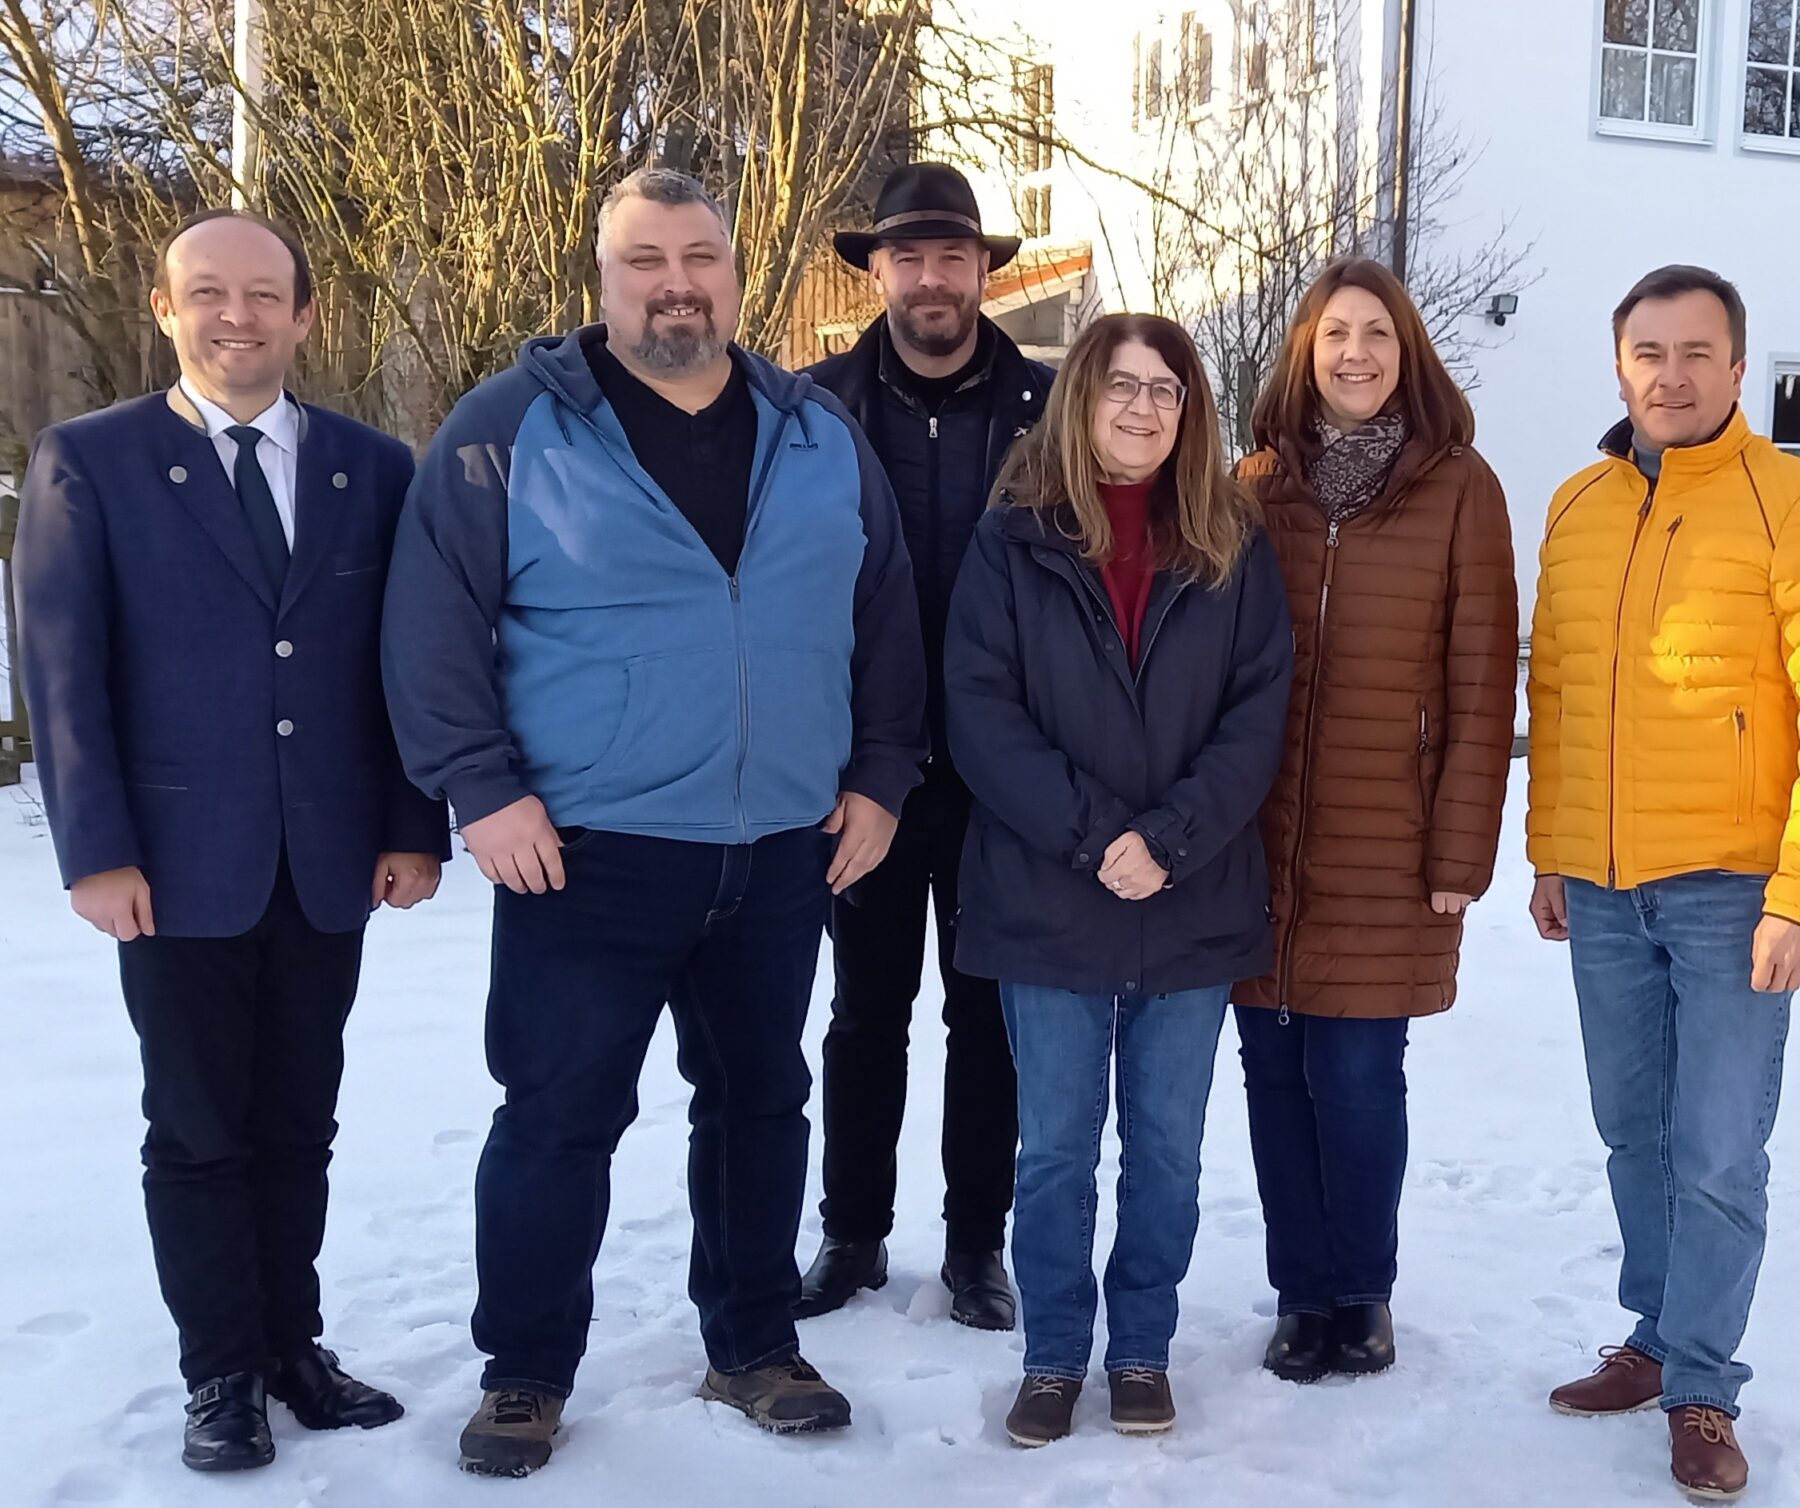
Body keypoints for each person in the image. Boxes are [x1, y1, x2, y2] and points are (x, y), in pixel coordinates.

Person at [380, 168, 926, 1475]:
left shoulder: (817, 435)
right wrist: (481, 786)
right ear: (604, 276)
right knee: (558, 1115)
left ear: (736, 273)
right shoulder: (508, 429)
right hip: (587, 853)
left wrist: (881, 774)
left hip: (780, 848)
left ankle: (754, 1344)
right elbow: (430, 619)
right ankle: (524, 1372)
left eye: (699, 258)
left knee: (761, 1103)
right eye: (645, 260)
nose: (676, 284)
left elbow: (885, 612)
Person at [13, 209, 448, 1474]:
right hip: (173, 866)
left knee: (299, 1122)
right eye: (207, 292)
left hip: (328, 859)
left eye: (263, 294)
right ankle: (222, 1371)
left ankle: (292, 1346)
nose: (236, 316)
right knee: (198, 1128)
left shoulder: (374, 468)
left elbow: (405, 665)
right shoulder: (90, 461)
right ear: (166, 309)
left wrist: (411, 825)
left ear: (306, 314)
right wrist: (96, 849)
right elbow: (61, 670)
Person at [1528, 265, 1800, 1502]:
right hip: (1604, 889)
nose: (1672, 375)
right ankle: (1654, 1333)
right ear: (1618, 365)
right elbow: (1557, 691)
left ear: (1739, 368)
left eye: (1697, 353)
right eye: (1650, 352)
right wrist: (1552, 849)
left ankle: (1702, 1384)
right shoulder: (1578, 504)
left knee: (1720, 1147)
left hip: (1734, 891)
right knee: (1633, 1130)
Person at [945, 313, 1291, 1447]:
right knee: (1053, 1150)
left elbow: (1257, 715)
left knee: (1168, 1153)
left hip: (1193, 900)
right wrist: (1099, 838)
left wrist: (1171, 839)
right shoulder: (1013, 540)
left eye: (1166, 390)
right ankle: (1053, 1355)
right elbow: (982, 714)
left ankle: (1142, 1346)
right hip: (1049, 898)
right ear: (1081, 398)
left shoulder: (1231, 545)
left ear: (1190, 411)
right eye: (1121, 386)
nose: (1143, 408)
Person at [1233, 258, 1518, 1383]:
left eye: (1377, 334)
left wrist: (1460, 852)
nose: (1355, 353)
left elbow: (1482, 682)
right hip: (1258, 843)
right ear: (1305, 349)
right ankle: (1300, 1296)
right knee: (1271, 1077)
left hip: (1388, 846)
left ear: (1409, 352)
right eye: (1335, 333)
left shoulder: (1459, 485)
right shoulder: (1256, 484)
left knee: (1355, 1080)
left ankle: (1363, 1292)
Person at [796, 162, 1052, 1330]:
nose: (933, 278)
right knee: (865, 1012)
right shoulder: (813, 410)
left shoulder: (1051, 407)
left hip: (1005, 777)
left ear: (984, 270)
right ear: (877, 272)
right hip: (868, 775)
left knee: (987, 1016)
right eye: (910, 257)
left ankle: (975, 1244)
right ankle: (852, 1233)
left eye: (954, 256)